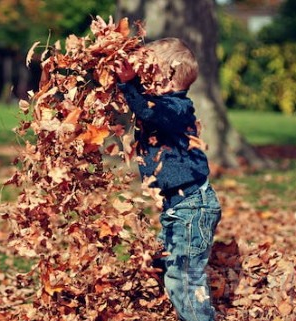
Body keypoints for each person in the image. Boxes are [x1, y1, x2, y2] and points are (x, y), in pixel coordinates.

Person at [115, 37, 222, 321]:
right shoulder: (163, 106)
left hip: (192, 208)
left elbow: (150, 111)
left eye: (148, 73)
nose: (143, 79)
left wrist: (129, 85)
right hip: (178, 207)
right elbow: (146, 109)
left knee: (184, 278)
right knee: (163, 262)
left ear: (167, 77)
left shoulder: (176, 108)